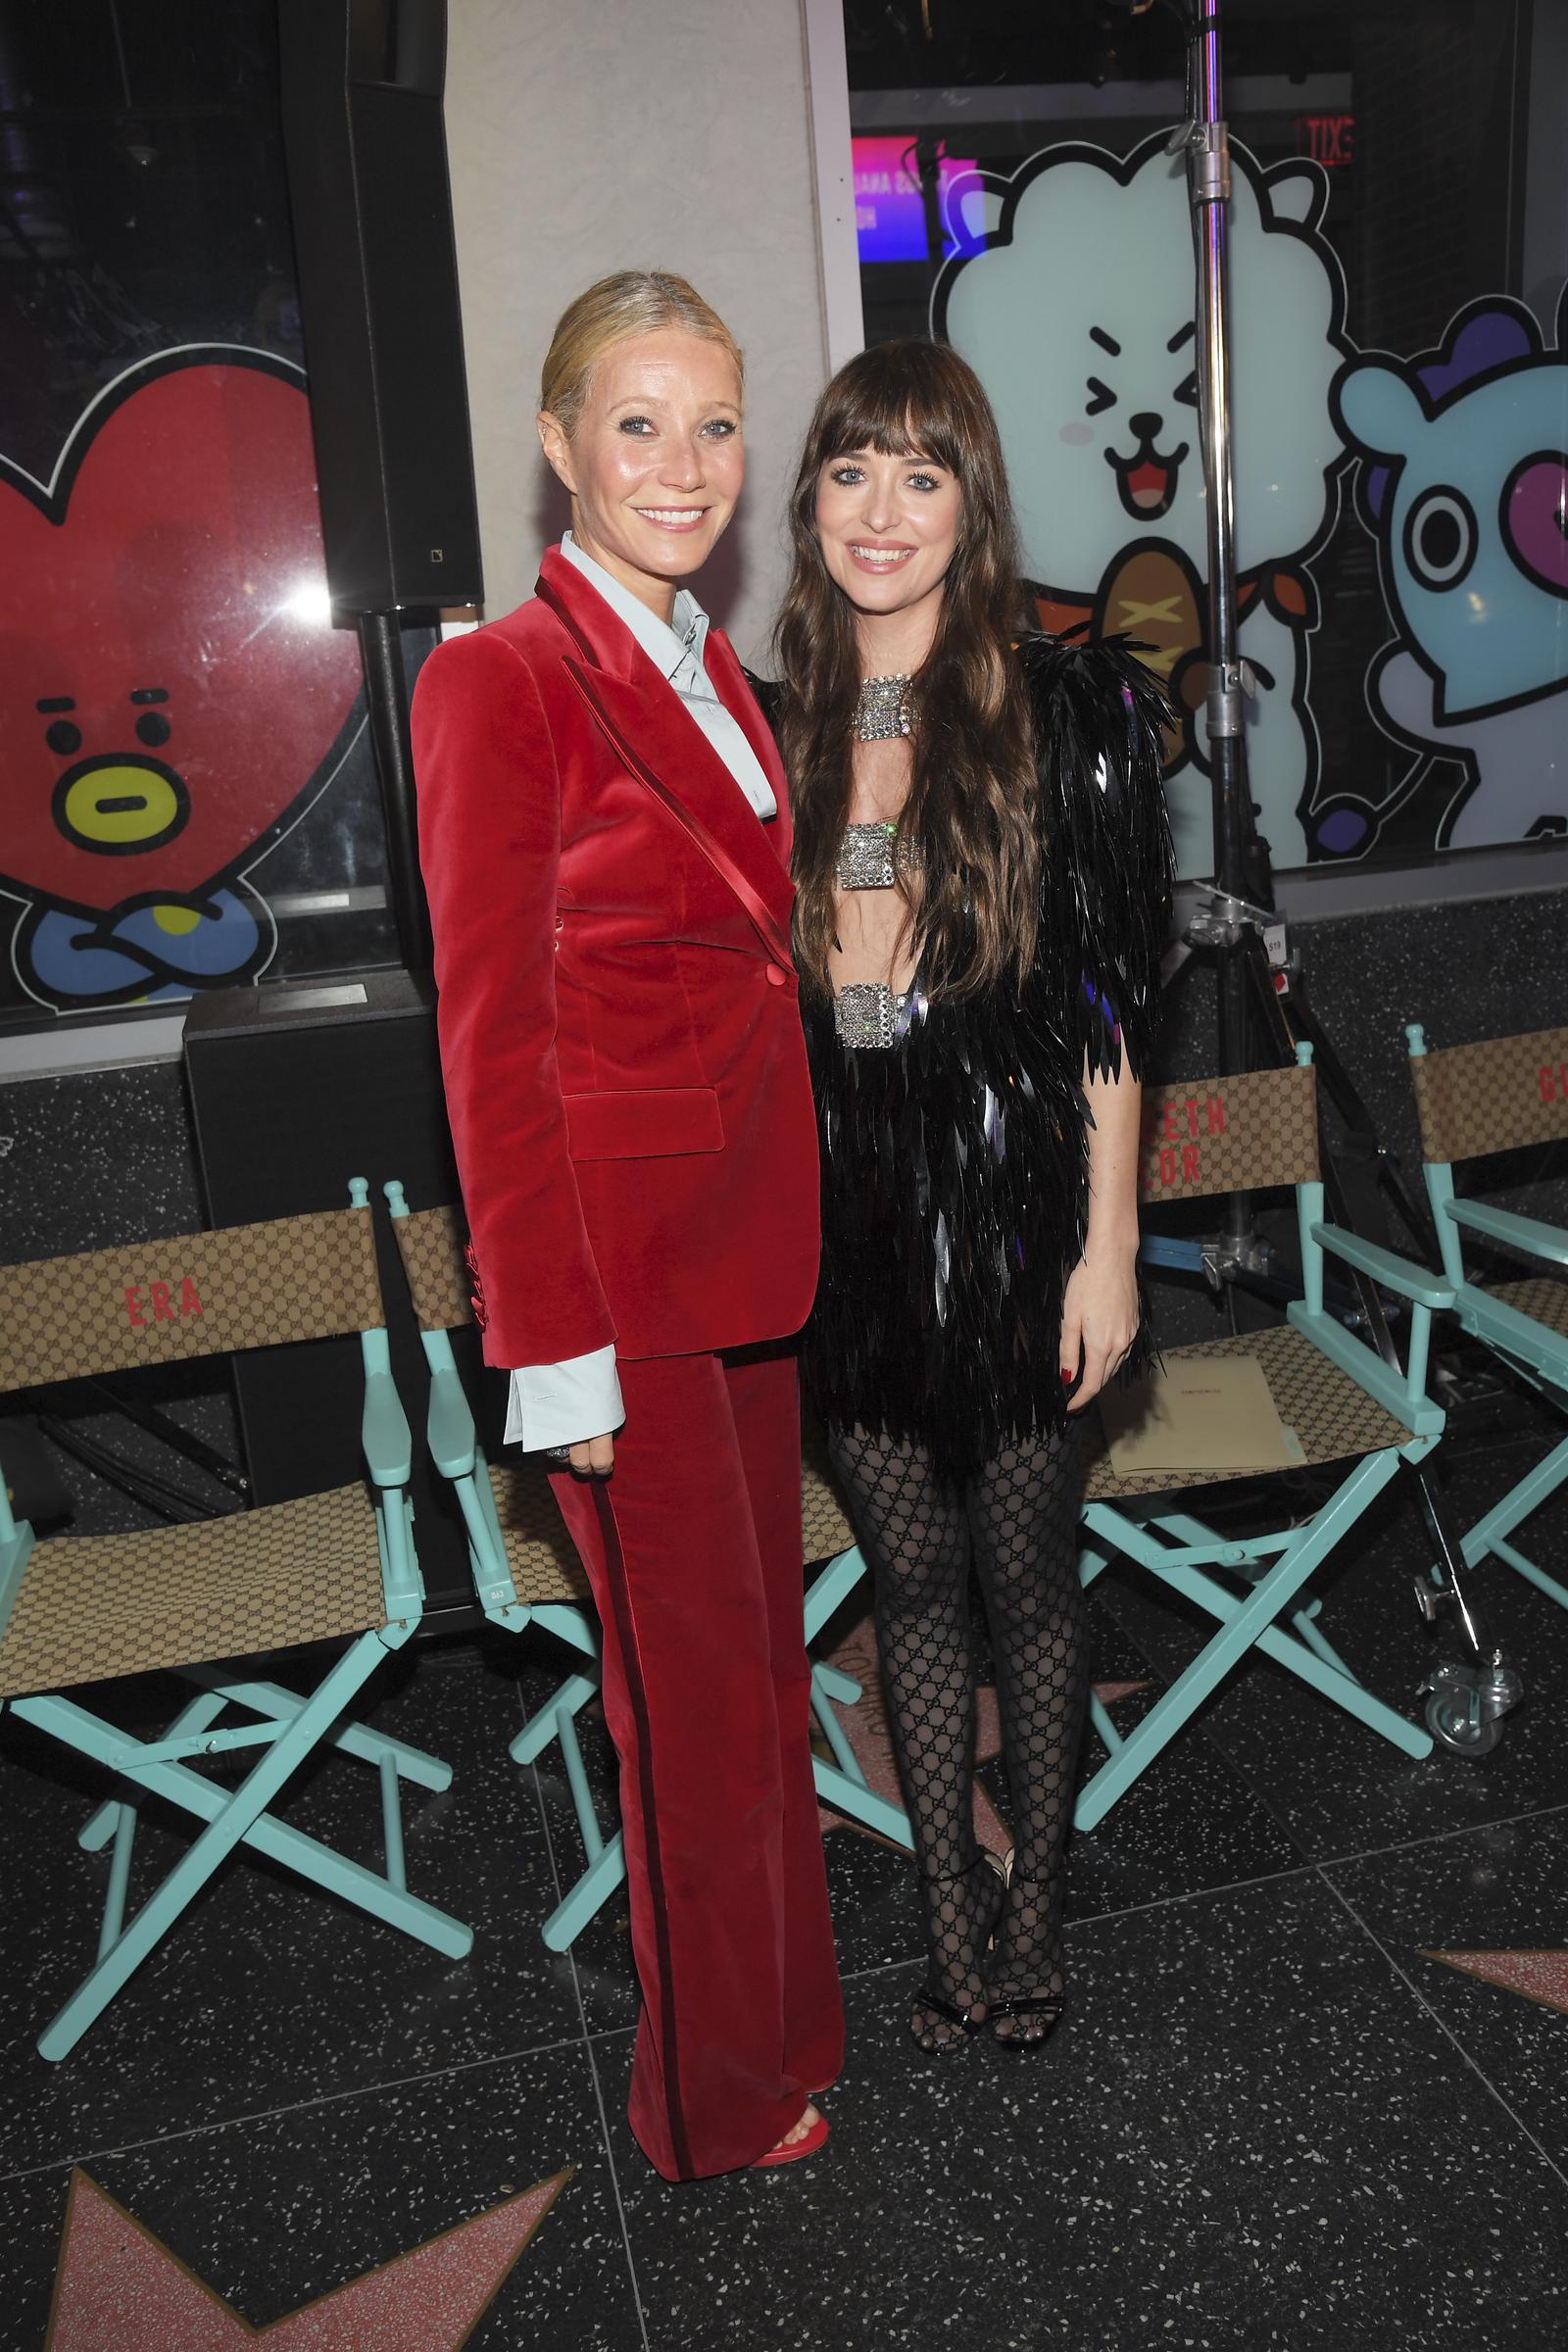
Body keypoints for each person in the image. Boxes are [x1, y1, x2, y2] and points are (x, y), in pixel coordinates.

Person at [410, 271, 843, 2177]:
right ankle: (709, 2105)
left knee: (758, 1680)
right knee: (679, 1717)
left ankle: (786, 2029)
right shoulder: (496, 682)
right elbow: (491, 1042)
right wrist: (548, 1344)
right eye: (640, 424)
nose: (683, 465)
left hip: (746, 1254)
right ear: (558, 444)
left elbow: (743, 961)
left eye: (715, 425)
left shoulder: (714, 671)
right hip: (621, 1297)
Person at [771, 338, 1171, 2054]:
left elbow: (1102, 1009)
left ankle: (1042, 1901)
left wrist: (1113, 1249)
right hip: (842, 1224)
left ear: (972, 507)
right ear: (811, 500)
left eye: (922, 474)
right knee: (909, 1587)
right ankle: (946, 1912)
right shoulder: (768, 717)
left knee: (1029, 1580)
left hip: (1014, 1219)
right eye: (854, 469)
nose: (883, 509)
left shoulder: (1063, 709)